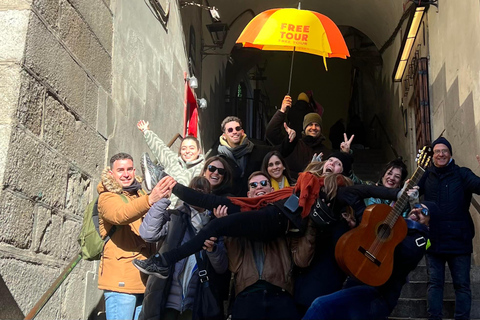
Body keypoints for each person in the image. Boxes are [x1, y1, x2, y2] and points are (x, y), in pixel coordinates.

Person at [131, 151, 401, 280]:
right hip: (268, 209)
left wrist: (400, 194)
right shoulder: (303, 181)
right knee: (215, 201)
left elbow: (370, 190)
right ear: (321, 163)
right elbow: (289, 197)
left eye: (338, 164)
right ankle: (168, 183)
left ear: (342, 173)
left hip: (278, 222)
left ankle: (164, 261)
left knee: (218, 225)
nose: (332, 165)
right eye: (329, 161)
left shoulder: (339, 191)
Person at [302, 201, 436, 320]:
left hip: (377, 296)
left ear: (430, 223)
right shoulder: (399, 228)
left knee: (320, 306)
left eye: (424, 212)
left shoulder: (420, 240)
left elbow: (405, 252)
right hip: (359, 284)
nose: (417, 210)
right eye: (417, 206)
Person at [219, 171, 315, 320]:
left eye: (264, 183)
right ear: (248, 193)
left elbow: (301, 260)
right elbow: (234, 264)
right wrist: (226, 227)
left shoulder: (286, 217)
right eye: (254, 185)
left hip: (281, 295)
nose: (259, 187)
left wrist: (310, 225)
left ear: (272, 190)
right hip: (247, 296)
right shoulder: (239, 220)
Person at [137, 177, 228, 320]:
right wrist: (161, 201)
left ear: (208, 196)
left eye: (201, 192)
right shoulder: (174, 217)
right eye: (193, 190)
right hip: (165, 297)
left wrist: (212, 250)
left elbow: (221, 267)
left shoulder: (214, 224)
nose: (197, 194)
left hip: (196, 302)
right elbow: (148, 234)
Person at [97, 153, 167, 320]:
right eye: (120, 170)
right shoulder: (107, 197)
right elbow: (121, 215)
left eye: (129, 169)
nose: (126, 174)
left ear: (135, 170)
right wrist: (150, 200)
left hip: (143, 281)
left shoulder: (140, 194)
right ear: (111, 174)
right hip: (120, 281)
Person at [417, 137, 480, 320]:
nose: (441, 154)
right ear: (432, 155)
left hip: (459, 239)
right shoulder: (426, 175)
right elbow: (410, 195)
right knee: (435, 284)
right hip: (433, 239)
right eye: (437, 151)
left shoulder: (462, 174)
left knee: (462, 285)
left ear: (450, 153)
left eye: (444, 151)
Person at [266, 96, 353, 178]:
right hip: (291, 188)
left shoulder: (327, 152)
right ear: (304, 128)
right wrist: (282, 110)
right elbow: (271, 133)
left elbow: (341, 174)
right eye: (310, 125)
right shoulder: (292, 145)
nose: (314, 128)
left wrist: (345, 153)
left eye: (317, 125)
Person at [208, 116, 296, 196]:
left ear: (242, 132)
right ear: (224, 136)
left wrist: (290, 138)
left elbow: (281, 151)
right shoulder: (219, 158)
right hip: (230, 205)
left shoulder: (257, 150)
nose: (234, 132)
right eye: (230, 130)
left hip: (255, 202)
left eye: (237, 128)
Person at [137, 120, 205, 207]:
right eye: (184, 148)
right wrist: (146, 131)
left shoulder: (204, 168)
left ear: (198, 151)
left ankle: (156, 176)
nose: (187, 151)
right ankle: (155, 177)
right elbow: (160, 148)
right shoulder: (173, 160)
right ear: (180, 150)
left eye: (191, 148)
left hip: (185, 210)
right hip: (164, 207)